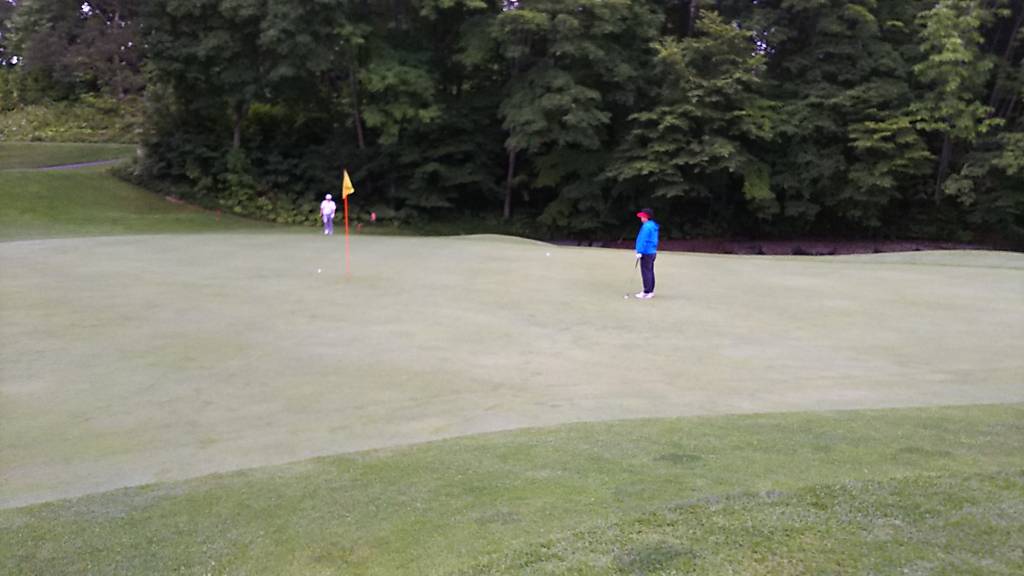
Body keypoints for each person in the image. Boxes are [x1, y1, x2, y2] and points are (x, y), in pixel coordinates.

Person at [634, 208, 659, 299]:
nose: (641, 218)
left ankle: (646, 292)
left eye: (642, 216)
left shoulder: (646, 227)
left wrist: (639, 251)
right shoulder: (653, 225)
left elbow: (642, 239)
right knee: (650, 271)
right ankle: (650, 291)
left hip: (646, 252)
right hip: (652, 251)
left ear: (646, 217)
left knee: (646, 272)